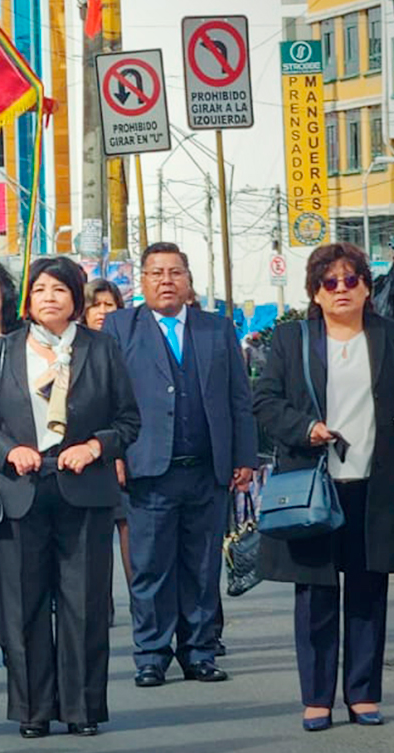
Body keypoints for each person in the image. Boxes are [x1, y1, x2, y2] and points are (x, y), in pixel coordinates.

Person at [252, 243, 394, 732]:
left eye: (351, 280)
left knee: (369, 591)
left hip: (376, 483)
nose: (342, 290)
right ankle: (316, 697)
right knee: (315, 594)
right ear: (315, 292)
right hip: (314, 485)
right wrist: (304, 427)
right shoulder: (292, 339)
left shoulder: (390, 336)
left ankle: (364, 694)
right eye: (330, 282)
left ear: (367, 288)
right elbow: (265, 401)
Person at [0, 256, 141, 739]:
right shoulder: (2, 352)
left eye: (60, 290)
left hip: (84, 490)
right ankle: (32, 710)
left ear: (76, 298)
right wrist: (9, 451)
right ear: (27, 298)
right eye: (40, 289)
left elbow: (129, 421)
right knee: (24, 607)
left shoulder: (102, 349)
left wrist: (95, 446)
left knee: (84, 605)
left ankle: (83, 709)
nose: (49, 298)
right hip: (23, 490)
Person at [100, 243, 255, 688]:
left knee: (202, 567)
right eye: (155, 273)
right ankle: (151, 655)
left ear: (188, 281)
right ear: (142, 282)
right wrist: (113, 454)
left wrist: (243, 458)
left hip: (207, 469)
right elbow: (104, 399)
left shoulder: (216, 329)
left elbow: (239, 399)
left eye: (174, 273)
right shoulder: (120, 327)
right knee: (150, 568)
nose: (165, 281)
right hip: (147, 469)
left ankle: (200, 651)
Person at [84, 280, 137, 597]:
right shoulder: (77, 346)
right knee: (94, 537)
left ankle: (139, 604)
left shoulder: (125, 347)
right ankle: (99, 606)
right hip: (85, 456)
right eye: (95, 305)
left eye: (109, 305)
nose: (102, 312)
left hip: (124, 449)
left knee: (128, 528)